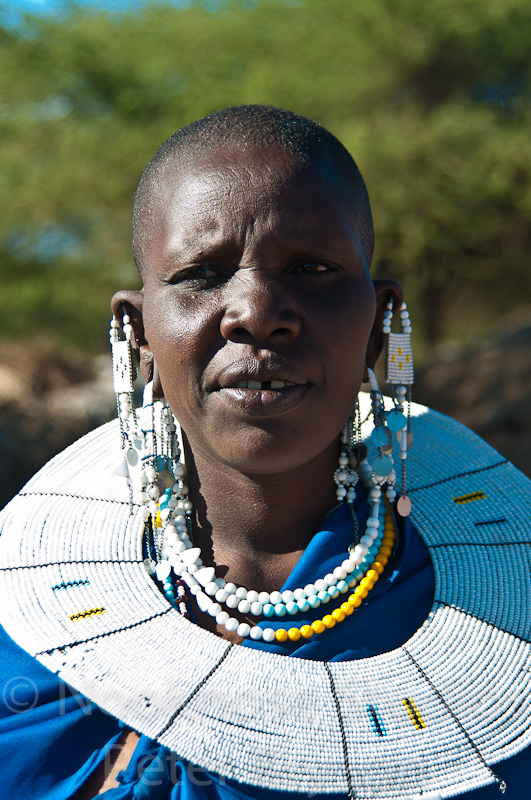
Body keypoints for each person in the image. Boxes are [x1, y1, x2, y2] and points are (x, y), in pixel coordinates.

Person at [0, 105, 530, 800]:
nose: (254, 310)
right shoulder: (17, 624)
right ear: (136, 336)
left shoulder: (508, 625)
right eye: (201, 273)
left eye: (311, 267)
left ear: (378, 326)